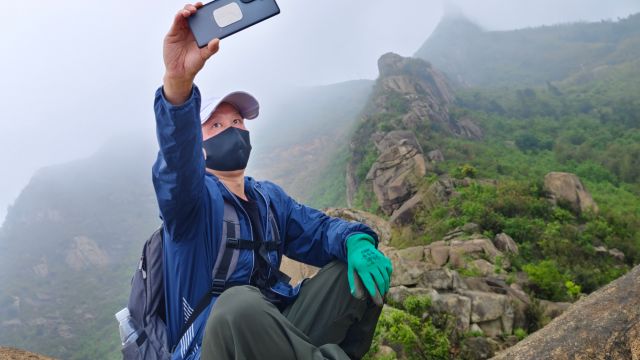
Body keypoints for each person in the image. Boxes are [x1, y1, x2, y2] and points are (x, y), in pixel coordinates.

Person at [152, 3, 393, 359]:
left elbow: (321, 231)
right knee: (237, 305)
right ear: (197, 146)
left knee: (353, 273)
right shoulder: (191, 203)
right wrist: (177, 81)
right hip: (212, 347)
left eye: (237, 123)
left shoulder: (268, 200)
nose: (231, 130)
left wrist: (357, 240)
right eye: (216, 126)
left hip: (275, 338)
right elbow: (175, 167)